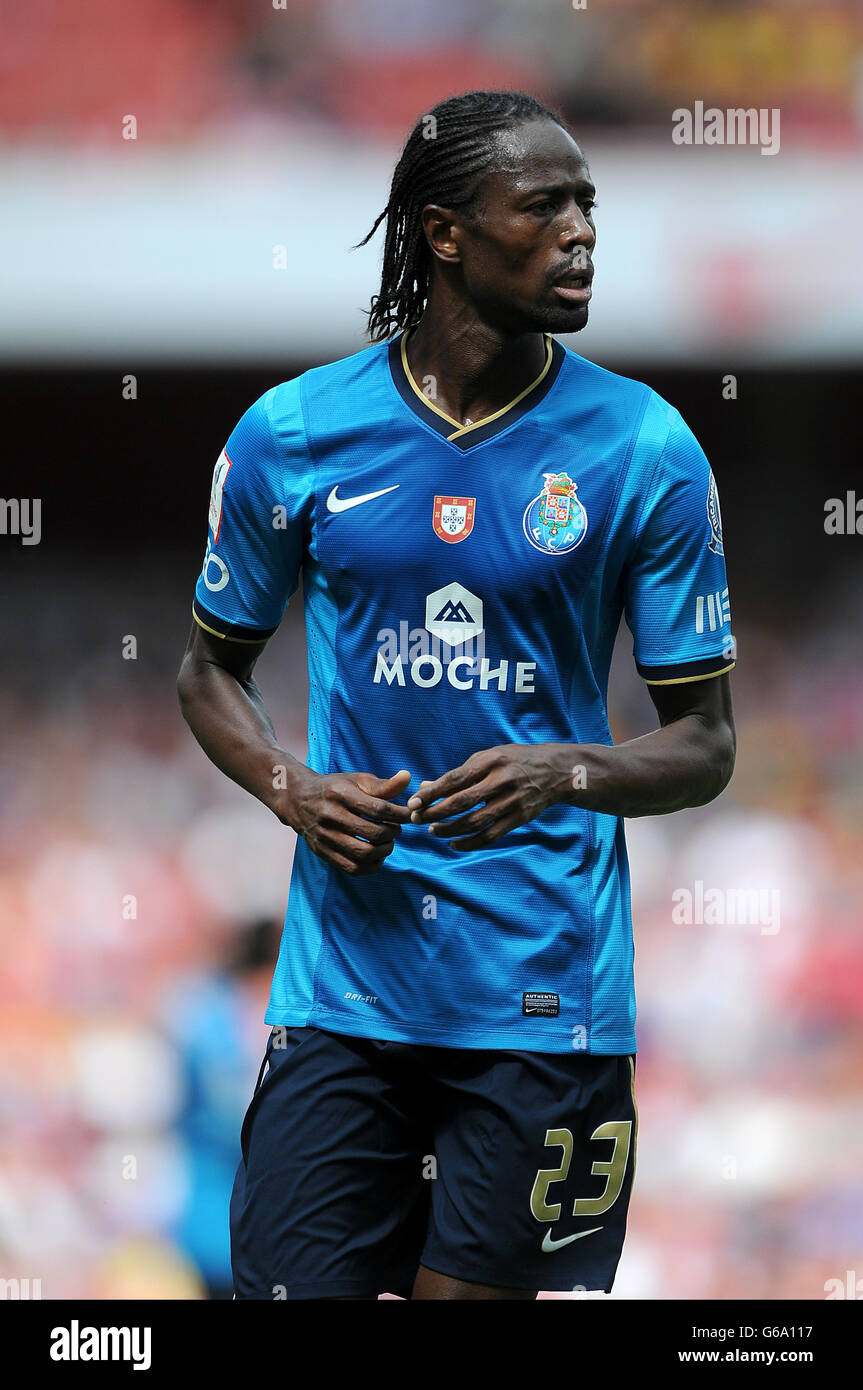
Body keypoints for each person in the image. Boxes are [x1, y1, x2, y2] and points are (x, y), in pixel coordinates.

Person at [177, 89, 736, 1301]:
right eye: (543, 206)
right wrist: (290, 787)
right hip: (343, 991)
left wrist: (564, 768)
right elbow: (206, 672)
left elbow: (705, 742)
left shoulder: (643, 448)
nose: (581, 232)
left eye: (588, 204)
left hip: (544, 1005)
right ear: (442, 233)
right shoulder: (295, 434)